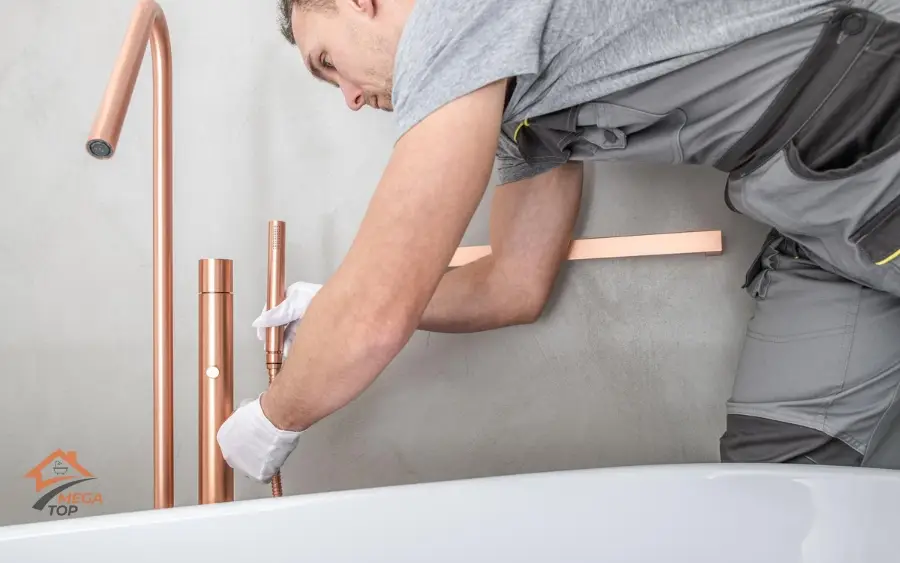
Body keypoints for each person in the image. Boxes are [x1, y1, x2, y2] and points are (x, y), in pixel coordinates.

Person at [216, 0, 900, 483]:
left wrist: (271, 419)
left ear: (361, 2)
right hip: (824, 222)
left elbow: (374, 317)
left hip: (876, 131)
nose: (349, 98)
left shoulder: (458, 16)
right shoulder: (516, 103)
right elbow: (513, 283)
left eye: (327, 63)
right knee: (777, 490)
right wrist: (333, 300)